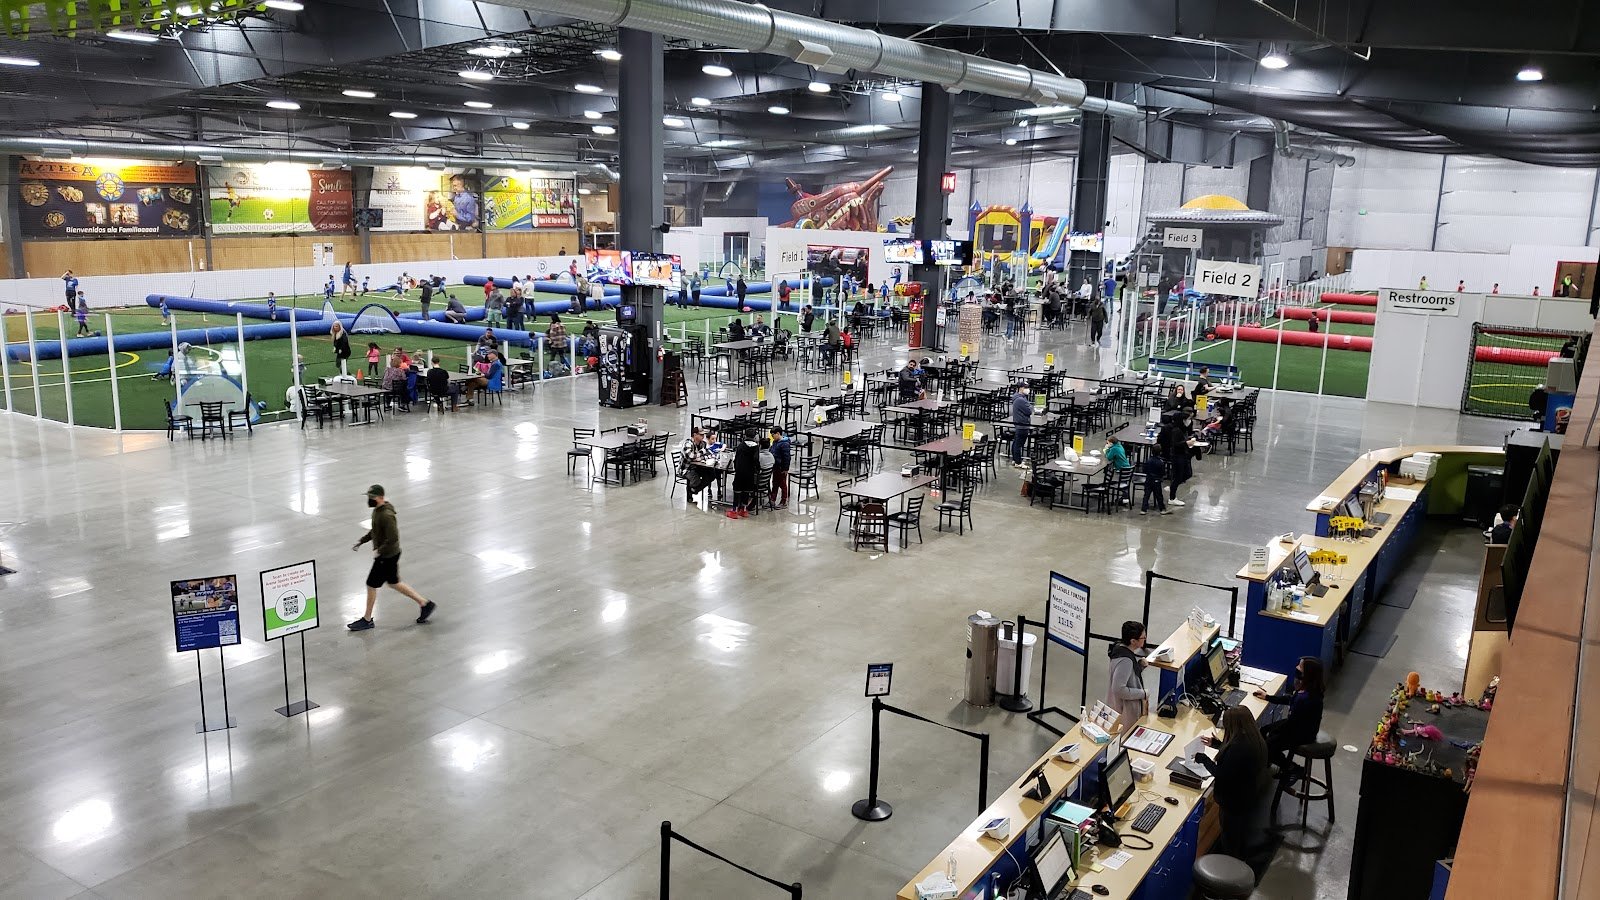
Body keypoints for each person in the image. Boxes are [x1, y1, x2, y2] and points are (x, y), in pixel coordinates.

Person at [347, 485, 436, 631]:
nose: (369, 500)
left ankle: (367, 620)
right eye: (369, 497)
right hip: (390, 555)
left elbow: (393, 538)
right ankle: (425, 604)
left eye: (372, 497)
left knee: (371, 584)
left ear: (381, 497)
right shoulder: (377, 511)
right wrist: (362, 541)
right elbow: (375, 530)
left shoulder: (387, 515)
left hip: (386, 556)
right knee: (394, 583)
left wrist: (379, 551)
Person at [1195, 706, 1272, 872]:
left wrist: (1204, 759)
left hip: (1234, 801)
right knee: (1238, 832)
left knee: (1230, 837)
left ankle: (1230, 869)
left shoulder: (1238, 749)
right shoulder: (1253, 738)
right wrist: (1218, 744)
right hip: (1248, 795)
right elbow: (1234, 756)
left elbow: (1221, 774)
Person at [1254, 656, 1326, 781]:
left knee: (1267, 746)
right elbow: (1291, 700)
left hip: (1303, 733)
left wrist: (1275, 732)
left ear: (1307, 674)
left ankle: (1292, 768)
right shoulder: (1306, 690)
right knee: (1264, 730)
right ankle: (1270, 761)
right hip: (1298, 725)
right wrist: (1268, 697)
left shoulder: (1307, 699)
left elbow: (1292, 724)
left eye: (1300, 667)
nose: (1297, 667)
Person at [1105, 621, 1149, 729]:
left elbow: (1127, 675)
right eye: (1143, 637)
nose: (1145, 638)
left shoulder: (1119, 650)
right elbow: (1119, 689)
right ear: (1133, 641)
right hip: (1125, 712)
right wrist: (1143, 693)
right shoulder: (1126, 660)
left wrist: (1139, 666)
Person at [1158, 414, 1193, 506]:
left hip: (1183, 455)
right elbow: (1176, 444)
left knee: (1187, 474)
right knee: (1178, 476)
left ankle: (1173, 486)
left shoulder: (1181, 429)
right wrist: (1186, 443)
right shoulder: (1176, 430)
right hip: (1177, 456)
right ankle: (1172, 498)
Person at [728, 436, 760, 518]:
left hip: (740, 472)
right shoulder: (756, 447)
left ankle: (734, 511)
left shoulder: (741, 445)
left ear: (745, 436)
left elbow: (736, 458)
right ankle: (744, 510)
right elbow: (756, 459)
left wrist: (736, 468)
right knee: (746, 490)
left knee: (737, 491)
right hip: (750, 472)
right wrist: (757, 469)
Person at [681, 428, 716, 501]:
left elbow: (707, 454)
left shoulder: (703, 443)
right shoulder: (688, 444)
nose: (703, 436)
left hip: (698, 466)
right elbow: (690, 456)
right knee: (696, 480)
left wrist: (699, 457)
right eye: (701, 435)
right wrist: (701, 453)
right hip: (687, 468)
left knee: (712, 473)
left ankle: (694, 490)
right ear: (695, 435)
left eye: (703, 435)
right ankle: (691, 490)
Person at [767, 426, 791, 509]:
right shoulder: (775, 442)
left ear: (778, 433)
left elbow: (787, 457)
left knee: (782, 485)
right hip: (775, 467)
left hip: (781, 468)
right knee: (775, 484)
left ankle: (783, 502)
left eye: (773, 435)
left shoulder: (785, 444)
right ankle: (772, 500)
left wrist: (785, 469)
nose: (772, 436)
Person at [1140, 450, 1170, 515]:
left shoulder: (1148, 461)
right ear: (1160, 452)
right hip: (1157, 481)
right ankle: (1162, 509)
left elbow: (1144, 470)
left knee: (1146, 495)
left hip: (1148, 480)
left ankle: (1143, 509)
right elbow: (1163, 473)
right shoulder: (1160, 462)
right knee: (1159, 495)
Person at [1010, 384, 1033, 467]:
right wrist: (1030, 407)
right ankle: (1018, 462)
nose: (1028, 389)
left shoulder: (1019, 398)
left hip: (1019, 423)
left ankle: (1015, 459)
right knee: (1018, 444)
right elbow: (1029, 411)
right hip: (1022, 424)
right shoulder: (1020, 400)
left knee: (1016, 442)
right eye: (1025, 388)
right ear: (1021, 388)